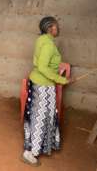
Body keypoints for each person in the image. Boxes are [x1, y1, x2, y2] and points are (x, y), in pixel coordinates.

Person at [22, 16, 70, 166]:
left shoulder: (42, 39)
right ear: (50, 29)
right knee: (40, 119)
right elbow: (43, 67)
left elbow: (41, 64)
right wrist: (61, 80)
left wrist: (57, 76)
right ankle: (31, 153)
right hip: (43, 86)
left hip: (40, 83)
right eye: (56, 26)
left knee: (42, 117)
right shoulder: (48, 45)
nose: (59, 28)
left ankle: (36, 147)